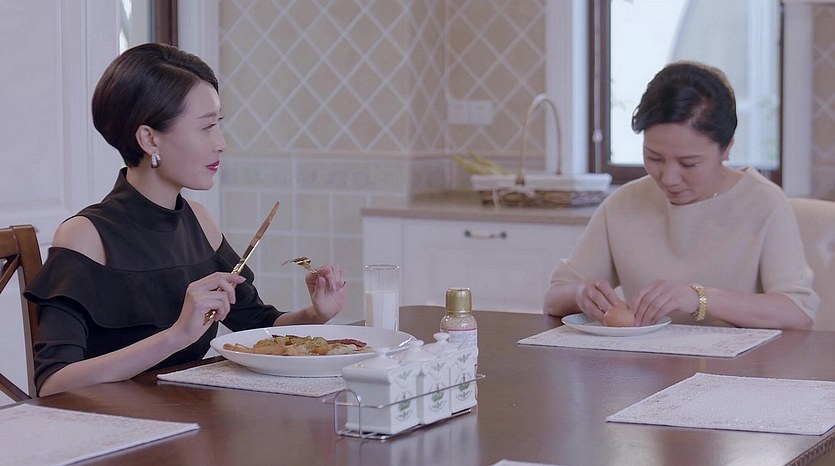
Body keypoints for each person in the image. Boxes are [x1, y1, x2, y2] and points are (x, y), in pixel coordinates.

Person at [24, 43, 346, 396]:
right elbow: (53, 384)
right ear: (149, 139)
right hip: (112, 424)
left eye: (218, 124)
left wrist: (315, 315)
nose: (221, 143)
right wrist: (177, 335)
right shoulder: (86, 236)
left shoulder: (199, 221)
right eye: (206, 127)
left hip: (190, 415)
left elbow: (256, 323)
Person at [543, 61, 819, 329]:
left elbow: (798, 311)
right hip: (643, 360)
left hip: (742, 361)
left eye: (689, 164)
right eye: (654, 158)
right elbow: (554, 299)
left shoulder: (764, 204)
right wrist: (580, 294)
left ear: (727, 148)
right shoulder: (624, 204)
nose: (668, 178)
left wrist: (698, 299)